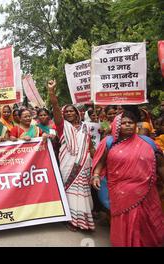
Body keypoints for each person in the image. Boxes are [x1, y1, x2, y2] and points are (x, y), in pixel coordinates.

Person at [92, 111, 164, 247]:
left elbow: (160, 164)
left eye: (130, 123)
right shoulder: (109, 142)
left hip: (146, 191)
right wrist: (96, 175)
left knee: (145, 220)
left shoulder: (147, 142)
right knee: (126, 220)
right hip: (121, 192)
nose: (127, 125)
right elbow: (100, 162)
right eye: (123, 123)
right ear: (116, 125)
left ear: (135, 124)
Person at [48, 80, 95, 232]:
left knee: (83, 191)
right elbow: (55, 108)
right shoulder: (62, 126)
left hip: (84, 163)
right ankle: (71, 220)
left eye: (71, 111)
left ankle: (84, 219)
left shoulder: (85, 127)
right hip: (67, 162)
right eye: (66, 111)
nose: (68, 113)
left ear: (77, 113)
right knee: (69, 190)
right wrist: (51, 92)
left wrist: (95, 161)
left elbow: (90, 146)